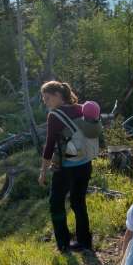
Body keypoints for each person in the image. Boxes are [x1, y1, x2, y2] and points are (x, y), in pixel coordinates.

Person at [39, 80, 94, 252]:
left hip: (66, 167)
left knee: (56, 203)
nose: (45, 102)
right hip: (85, 163)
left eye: (47, 98)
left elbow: (49, 146)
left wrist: (43, 172)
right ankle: (84, 242)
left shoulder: (54, 116)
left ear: (57, 95)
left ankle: (63, 243)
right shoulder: (80, 108)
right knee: (79, 202)